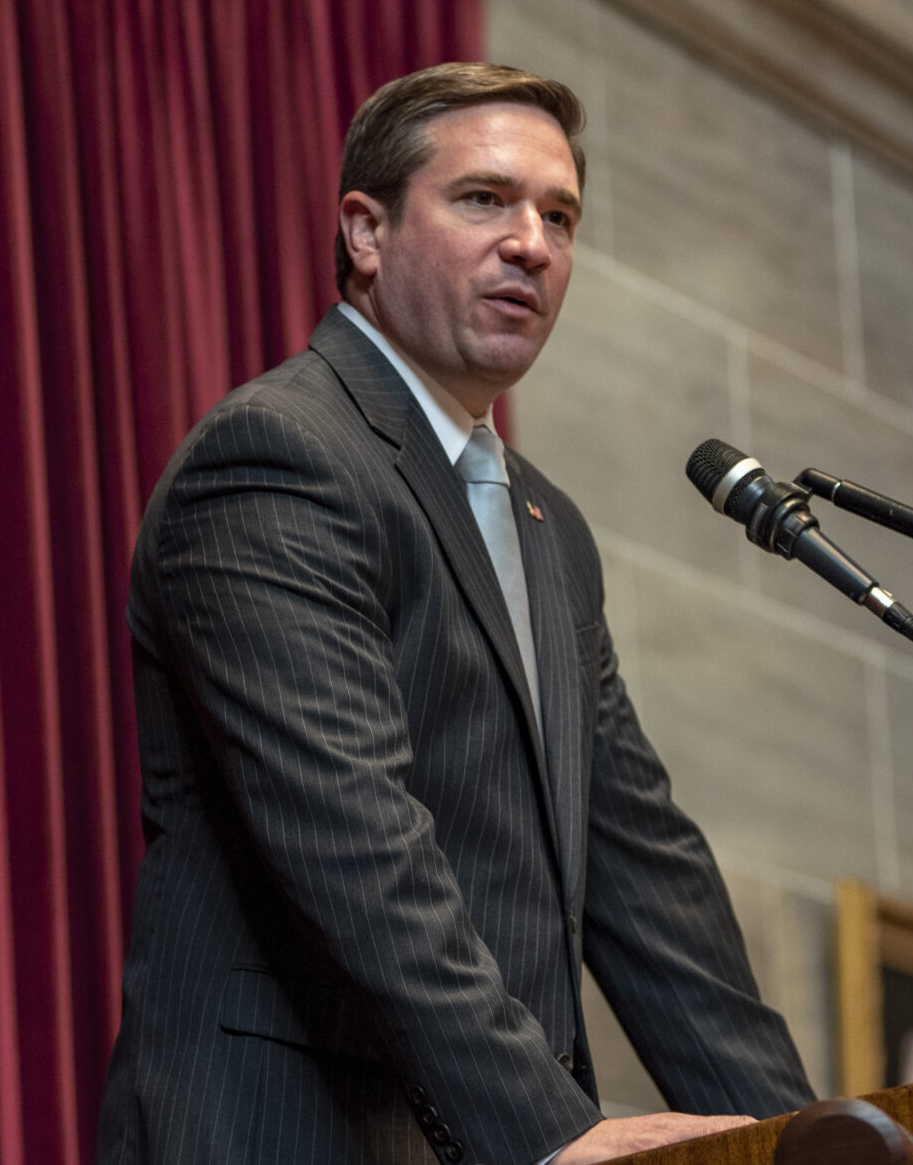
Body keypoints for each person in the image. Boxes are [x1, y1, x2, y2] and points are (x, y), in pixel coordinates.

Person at [97, 62, 814, 1165]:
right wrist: (549, 1133)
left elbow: (643, 870)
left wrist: (806, 1141)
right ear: (365, 232)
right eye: (484, 198)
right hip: (279, 1128)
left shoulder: (546, 527)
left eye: (560, 215)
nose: (532, 241)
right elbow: (353, 838)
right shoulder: (278, 456)